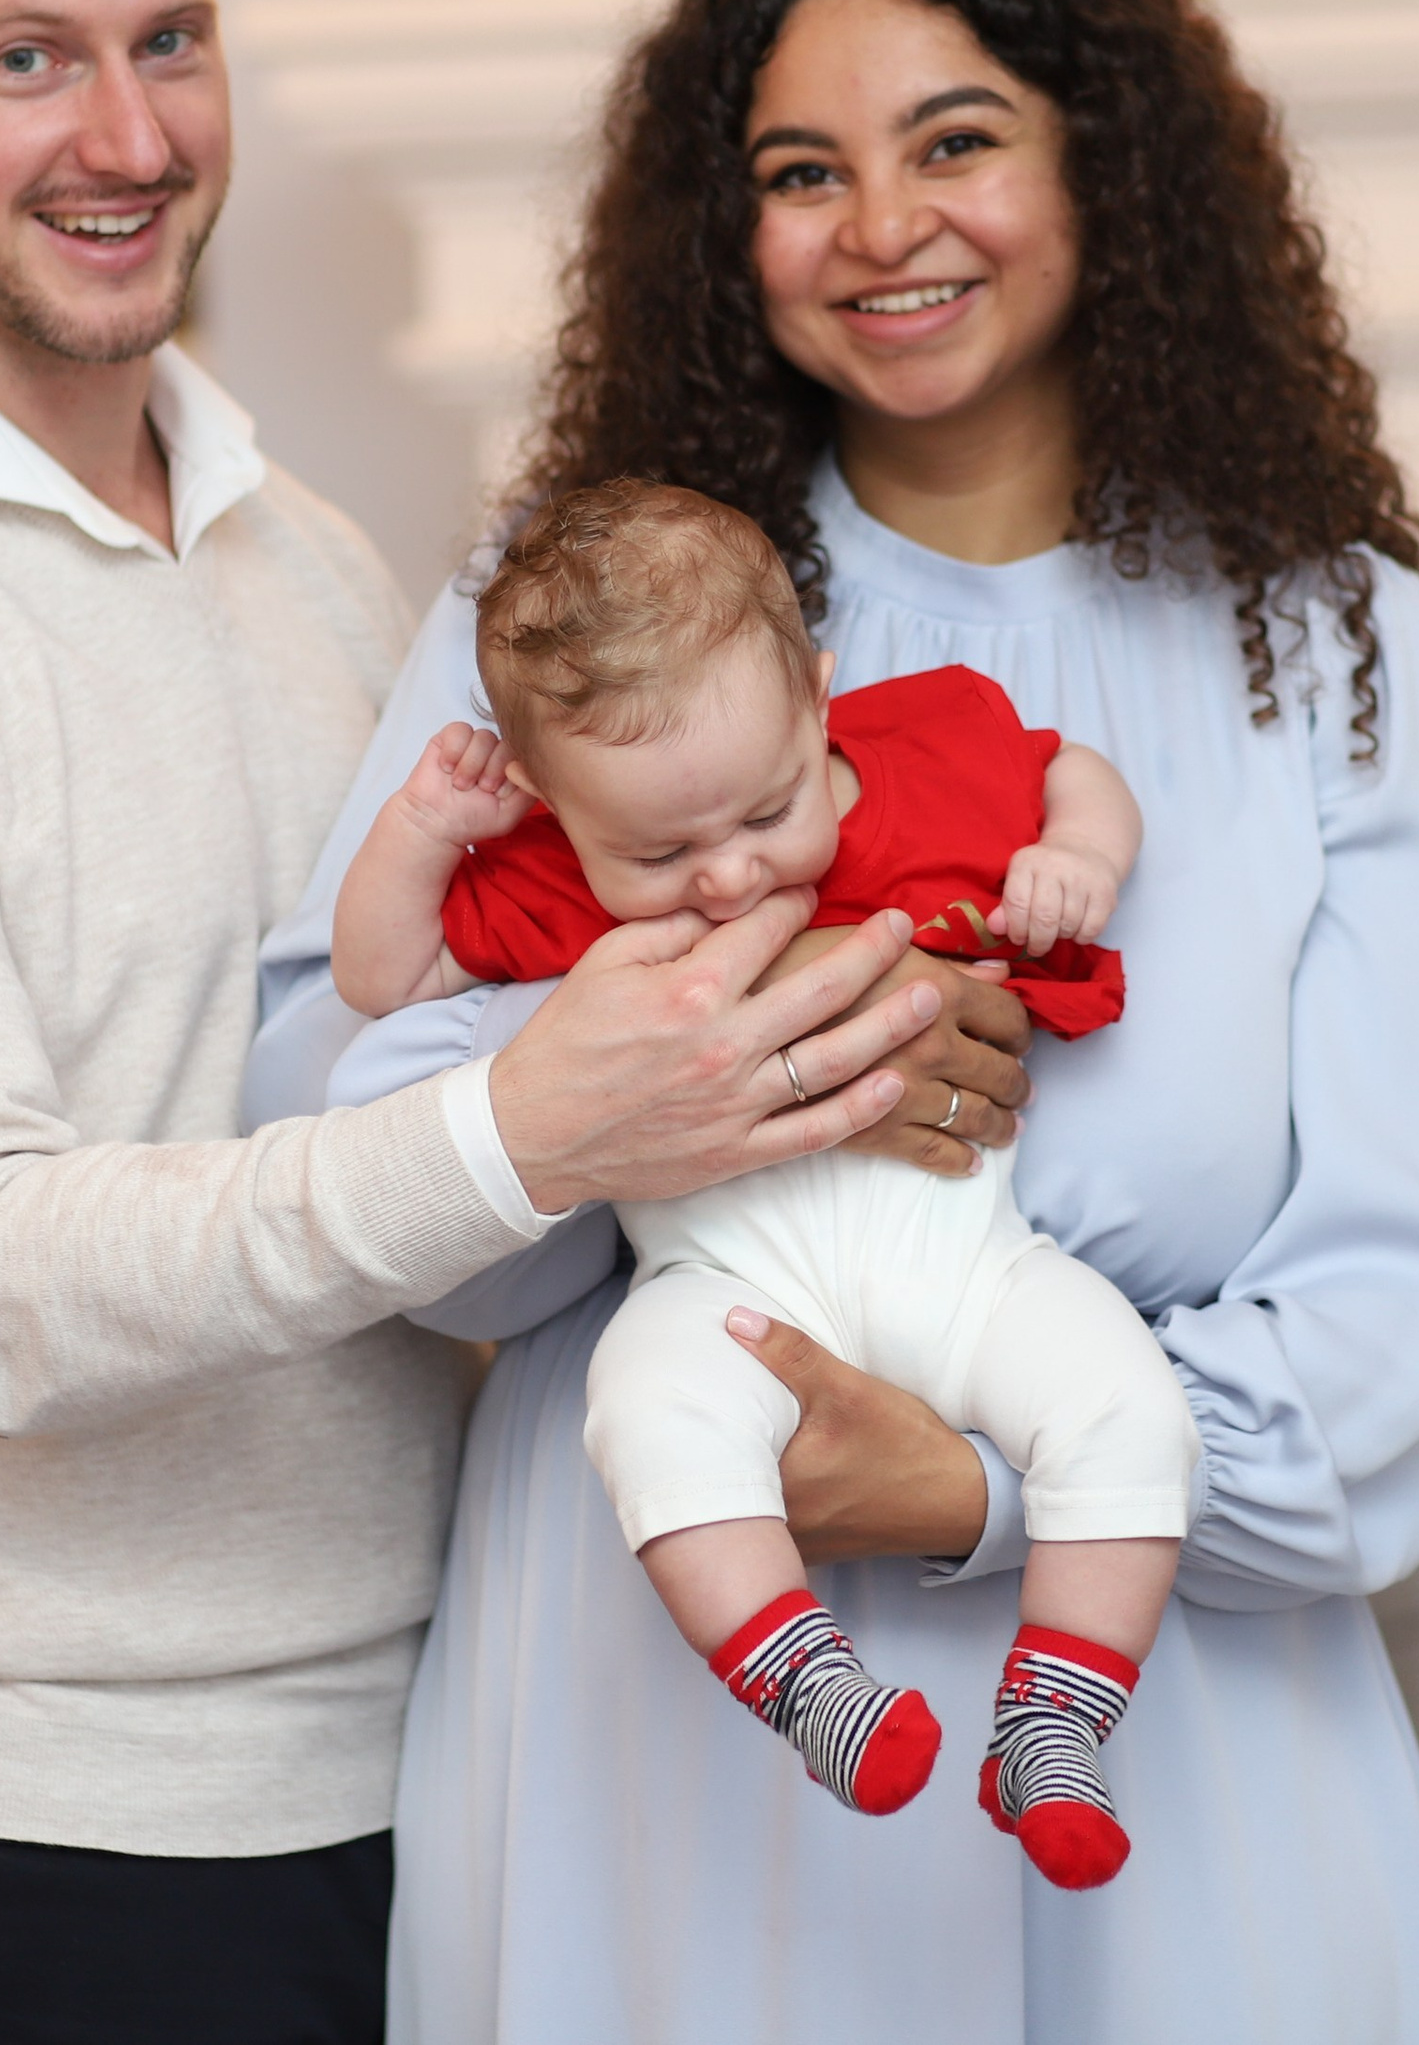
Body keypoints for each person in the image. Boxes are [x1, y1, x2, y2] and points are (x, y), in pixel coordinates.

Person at [0, 0, 1016, 2045]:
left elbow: (524, 1020)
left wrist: (849, 1046)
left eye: (172, 39)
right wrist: (527, 1125)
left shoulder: (308, 553)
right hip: (47, 1865)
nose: (129, 137)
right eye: (26, 57)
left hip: (443, 1771)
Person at [252, 0, 1419, 2040]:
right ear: (719, 228)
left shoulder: (1327, 644)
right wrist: (686, 1076)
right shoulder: (577, 621)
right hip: (665, 1726)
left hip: (1176, 1720)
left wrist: (965, 1486)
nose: (878, 226)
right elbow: (336, 1150)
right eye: (799, 171)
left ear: (1106, 170)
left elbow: (1411, 1303)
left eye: (955, 140)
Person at [331, 478, 1196, 1890]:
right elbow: (385, 974)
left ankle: (1056, 1722)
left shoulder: (929, 755)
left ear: (819, 694)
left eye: (770, 811)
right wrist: (426, 827)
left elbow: (1069, 767)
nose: (730, 877)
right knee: (649, 1411)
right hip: (725, 1288)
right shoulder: (557, 876)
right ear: (554, 804)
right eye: (660, 855)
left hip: (974, 1270)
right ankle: (802, 1679)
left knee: (1130, 1410)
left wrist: (1078, 856)